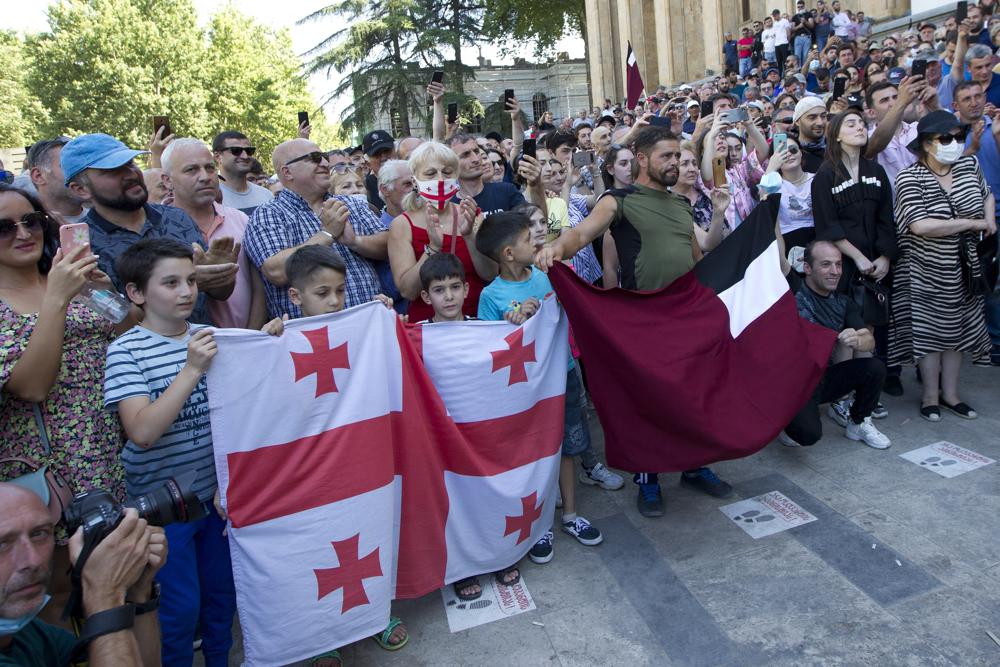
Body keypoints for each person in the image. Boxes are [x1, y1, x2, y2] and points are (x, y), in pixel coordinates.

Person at [536, 126, 734, 517]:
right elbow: (579, 233)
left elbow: (695, 260)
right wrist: (557, 247)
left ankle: (695, 466)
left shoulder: (680, 204)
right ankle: (649, 478)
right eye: (666, 156)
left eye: (678, 156)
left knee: (693, 396)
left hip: (685, 318)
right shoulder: (617, 200)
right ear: (642, 159)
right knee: (651, 402)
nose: (675, 163)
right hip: (645, 320)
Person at [262, 244, 407, 667]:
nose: (335, 301)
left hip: (358, 458)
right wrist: (267, 346)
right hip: (310, 467)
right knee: (317, 545)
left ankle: (374, 613)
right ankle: (319, 632)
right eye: (322, 293)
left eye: (341, 291)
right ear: (295, 297)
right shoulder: (281, 337)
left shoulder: (359, 327)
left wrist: (382, 317)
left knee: (366, 534)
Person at [0, 184, 129, 626]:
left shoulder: (67, 277)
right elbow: (31, 387)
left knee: (117, 581)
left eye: (30, 220)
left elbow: (125, 326)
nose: (22, 233)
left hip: (105, 455)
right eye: (4, 227)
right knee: (53, 592)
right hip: (44, 473)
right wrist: (56, 297)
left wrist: (103, 289)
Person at [104, 238, 236, 666]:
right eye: (171, 283)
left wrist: (271, 339)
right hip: (163, 509)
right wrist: (192, 369)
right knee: (179, 612)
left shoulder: (209, 336)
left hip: (214, 499)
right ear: (136, 293)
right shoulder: (126, 350)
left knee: (222, 598)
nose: (186, 292)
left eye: (192, 281)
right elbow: (141, 431)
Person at [477, 211, 604, 565]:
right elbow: (489, 346)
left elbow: (571, 310)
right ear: (507, 254)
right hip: (524, 389)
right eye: (526, 238)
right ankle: (540, 524)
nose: (537, 240)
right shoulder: (492, 295)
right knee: (538, 454)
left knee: (567, 448)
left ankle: (571, 515)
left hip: (562, 374)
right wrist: (514, 323)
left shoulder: (549, 275)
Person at [61, 133, 239, 326]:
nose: (130, 174)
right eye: (113, 171)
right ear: (80, 189)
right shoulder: (80, 247)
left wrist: (222, 276)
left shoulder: (176, 217)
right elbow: (105, 322)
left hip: (203, 347)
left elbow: (220, 294)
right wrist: (185, 284)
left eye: (130, 164)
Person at [888, 110, 995, 421]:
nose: (954, 143)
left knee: (958, 333)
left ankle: (951, 395)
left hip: (966, 268)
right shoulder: (909, 177)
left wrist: (988, 218)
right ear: (925, 144)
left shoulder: (969, 165)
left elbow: (986, 194)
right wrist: (970, 223)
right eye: (945, 139)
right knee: (930, 334)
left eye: (958, 137)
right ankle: (930, 397)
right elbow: (919, 226)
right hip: (924, 270)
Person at [0, 483, 165, 666]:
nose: (33, 561)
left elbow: (130, 658)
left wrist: (139, 591)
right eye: (2, 544)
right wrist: (104, 593)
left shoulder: (31, 635)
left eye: (39, 534)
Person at [811, 109, 897, 421]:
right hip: (844, 266)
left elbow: (887, 218)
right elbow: (827, 225)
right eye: (851, 124)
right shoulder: (825, 176)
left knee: (868, 329)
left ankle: (867, 395)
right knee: (845, 331)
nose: (859, 127)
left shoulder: (876, 170)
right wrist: (857, 257)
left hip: (876, 265)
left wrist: (885, 256)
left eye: (862, 123)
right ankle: (841, 398)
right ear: (836, 134)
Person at [243, 139, 388, 319]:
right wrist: (327, 235)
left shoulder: (352, 204)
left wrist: (355, 242)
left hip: (368, 330)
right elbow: (276, 271)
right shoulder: (268, 215)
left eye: (324, 157)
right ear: (287, 172)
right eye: (315, 158)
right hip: (311, 339)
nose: (325, 163)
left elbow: (388, 246)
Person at [780, 241, 891, 449]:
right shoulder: (794, 287)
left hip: (820, 379)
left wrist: (859, 339)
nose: (834, 271)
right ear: (807, 268)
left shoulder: (844, 302)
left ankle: (858, 423)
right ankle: (786, 421)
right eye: (826, 264)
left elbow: (869, 340)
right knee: (807, 435)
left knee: (874, 368)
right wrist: (772, 210)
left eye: (838, 265)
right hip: (789, 383)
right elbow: (778, 255)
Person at [160, 138, 267, 330]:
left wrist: (251, 336)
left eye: (210, 168)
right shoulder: (156, 227)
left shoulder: (241, 220)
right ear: (167, 180)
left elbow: (259, 286)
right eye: (191, 170)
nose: (205, 177)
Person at [388, 141, 499, 321]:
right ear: (415, 180)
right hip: (428, 328)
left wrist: (469, 235)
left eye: (447, 172)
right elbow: (408, 291)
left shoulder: (471, 214)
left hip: (477, 320)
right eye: (430, 173)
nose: (440, 180)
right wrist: (432, 248)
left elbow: (490, 274)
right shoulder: (402, 225)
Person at [763, 136, 816, 249]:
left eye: (793, 150)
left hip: (818, 241)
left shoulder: (817, 179)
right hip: (787, 244)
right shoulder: (773, 186)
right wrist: (771, 168)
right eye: (782, 152)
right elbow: (763, 203)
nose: (788, 154)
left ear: (801, 153)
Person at [26, 137, 87, 225]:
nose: (82, 171)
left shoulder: (106, 219)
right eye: (68, 165)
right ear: (38, 176)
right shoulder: (26, 229)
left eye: (82, 166)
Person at [212, 131, 273, 215]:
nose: (245, 156)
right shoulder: (210, 197)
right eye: (236, 150)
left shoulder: (266, 195)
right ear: (218, 157)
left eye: (249, 151)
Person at [417, 252, 472, 322]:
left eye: (455, 287)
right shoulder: (416, 331)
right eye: (439, 290)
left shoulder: (482, 329)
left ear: (465, 290)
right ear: (426, 297)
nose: (449, 297)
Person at [793, 96, 829, 172]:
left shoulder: (836, 147)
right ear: (797, 121)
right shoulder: (792, 153)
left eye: (823, 116)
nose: (820, 122)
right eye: (812, 117)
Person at [362, 129, 395, 210]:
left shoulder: (411, 178)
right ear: (368, 163)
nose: (383, 157)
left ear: (396, 152)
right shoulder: (365, 188)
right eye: (376, 154)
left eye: (387, 151)